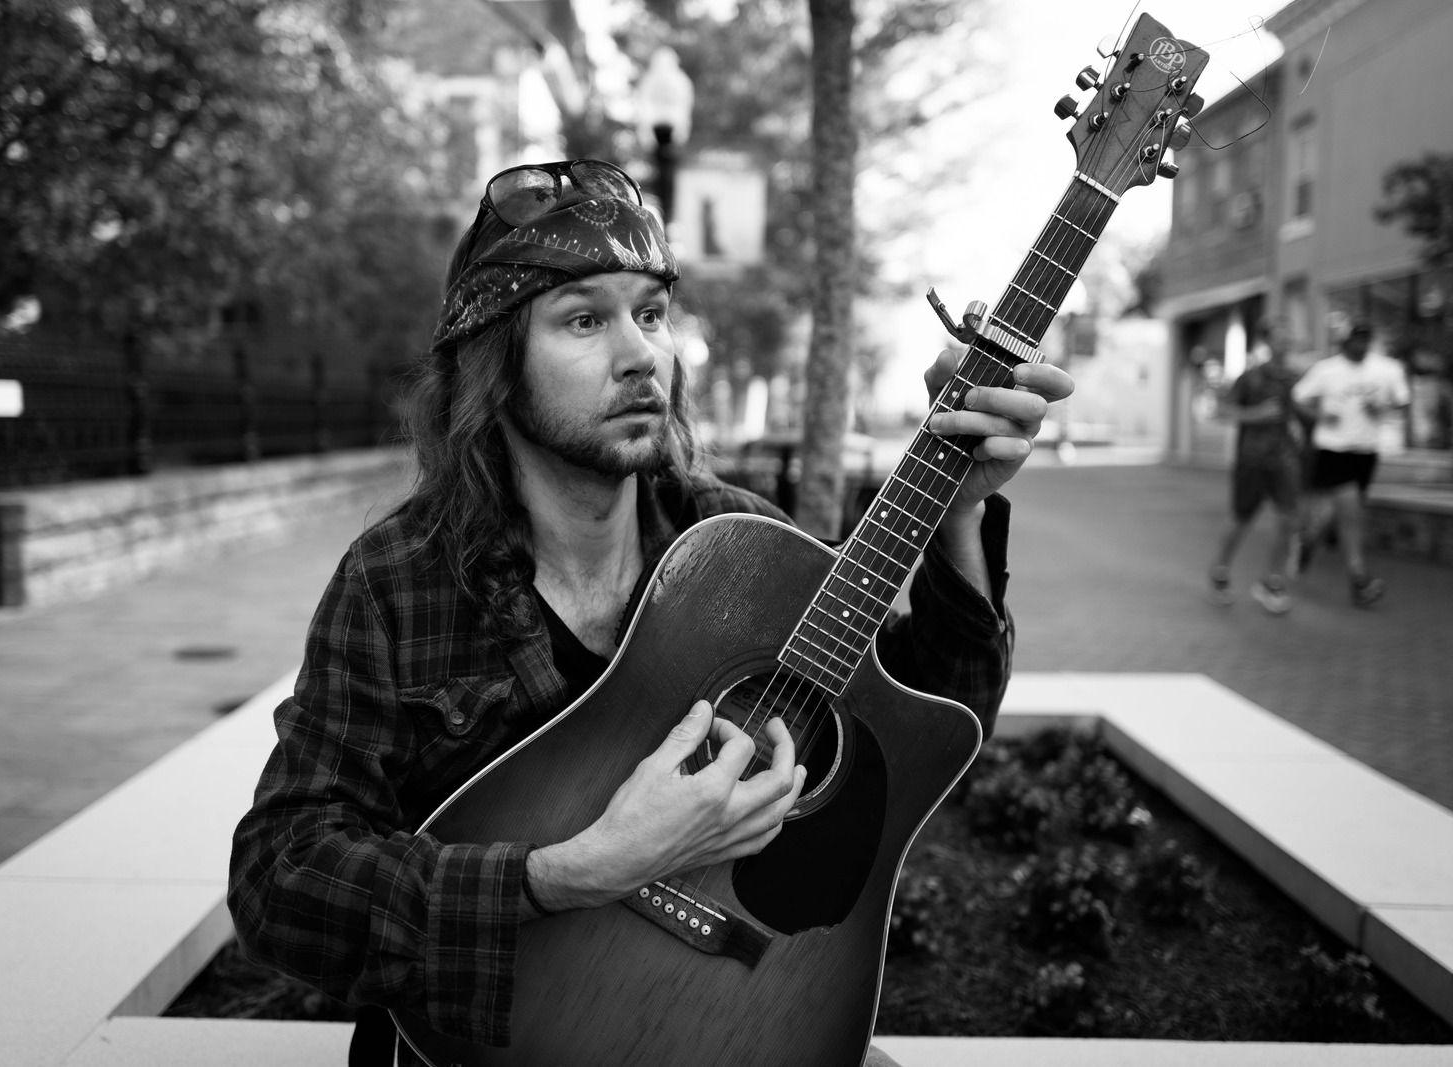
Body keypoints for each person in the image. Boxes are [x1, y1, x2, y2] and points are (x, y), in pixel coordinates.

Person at [227, 158, 1074, 1065]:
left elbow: (927, 721)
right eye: (585, 319)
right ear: (493, 366)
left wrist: (960, 514)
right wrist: (578, 869)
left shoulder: (743, 543)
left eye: (651, 313)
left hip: (737, 1021)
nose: (640, 352)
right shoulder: (401, 579)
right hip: (489, 1037)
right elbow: (281, 877)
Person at [1290, 322, 1410, 606]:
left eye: (1366, 339)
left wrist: (1383, 409)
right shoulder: (1326, 369)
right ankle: (1360, 580)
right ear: (1344, 342)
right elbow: (1297, 399)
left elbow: (1403, 403)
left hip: (1366, 452)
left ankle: (1307, 541)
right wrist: (1320, 416)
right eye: (1356, 339)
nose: (1361, 345)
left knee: (1336, 512)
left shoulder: (1387, 369)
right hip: (1333, 450)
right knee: (1351, 514)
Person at [1206, 315, 1305, 614]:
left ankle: (1270, 581)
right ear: (1267, 341)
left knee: (1288, 518)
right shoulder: (1250, 378)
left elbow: (1303, 411)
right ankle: (1220, 570)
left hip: (1284, 459)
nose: (1285, 341)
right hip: (1252, 459)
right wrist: (1257, 413)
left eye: (1288, 336)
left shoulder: (1295, 378)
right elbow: (1223, 411)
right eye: (1279, 336)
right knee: (1241, 518)